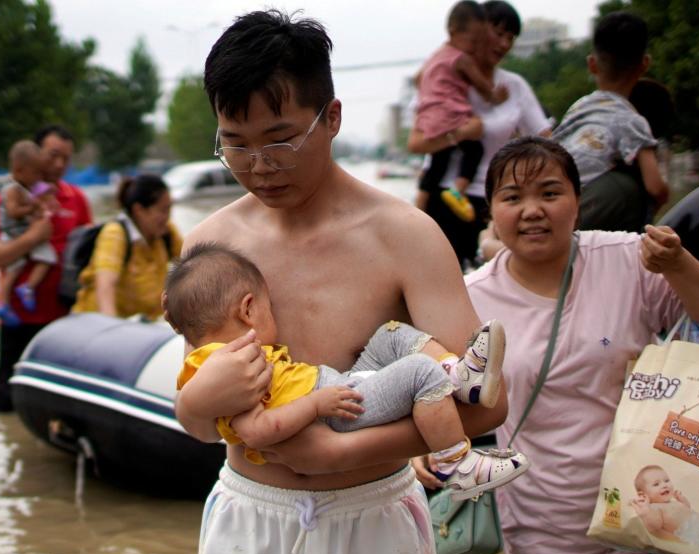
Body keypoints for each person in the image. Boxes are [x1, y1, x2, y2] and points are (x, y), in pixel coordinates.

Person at [177, 10, 508, 554]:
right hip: (248, 519)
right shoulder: (209, 249)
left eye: (279, 137)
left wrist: (334, 456)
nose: (258, 165)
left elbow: (484, 402)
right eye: (234, 143)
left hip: (369, 520)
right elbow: (196, 418)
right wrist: (197, 405)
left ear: (330, 116)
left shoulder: (402, 235)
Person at [443, 136, 699, 554]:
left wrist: (681, 265)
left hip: (653, 516)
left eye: (550, 192)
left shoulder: (628, 259)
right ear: (491, 211)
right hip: (545, 522)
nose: (532, 211)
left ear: (577, 199)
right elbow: (440, 396)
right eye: (512, 197)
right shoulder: (469, 298)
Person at [165, 242, 527, 501]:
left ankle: (458, 374)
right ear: (248, 310)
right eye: (269, 307)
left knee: (391, 334)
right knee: (419, 372)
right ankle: (455, 464)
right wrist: (317, 406)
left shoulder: (213, 358)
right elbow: (256, 432)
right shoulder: (232, 363)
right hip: (334, 413)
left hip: (335, 387)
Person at [408, 0, 551, 269]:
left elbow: (546, 141)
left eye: (511, 37)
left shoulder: (514, 86)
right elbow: (415, 144)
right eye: (498, 33)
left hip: (494, 202)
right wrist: (462, 134)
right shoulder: (443, 81)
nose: (504, 44)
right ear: (479, 31)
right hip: (444, 199)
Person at [0, 125, 94, 413]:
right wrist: (32, 238)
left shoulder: (77, 200)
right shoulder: (8, 199)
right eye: (53, 155)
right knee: (5, 404)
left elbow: (90, 254)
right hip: (17, 319)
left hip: (64, 320)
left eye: (66, 159)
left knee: (56, 407)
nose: (58, 165)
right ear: (33, 154)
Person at [552, 11, 668, 234]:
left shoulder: (578, 107)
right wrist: (664, 195)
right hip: (581, 210)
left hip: (553, 197)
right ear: (645, 64)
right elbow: (654, 187)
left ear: (592, 64)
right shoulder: (633, 120)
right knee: (631, 190)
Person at [411, 1, 506, 222]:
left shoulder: (435, 56)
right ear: (454, 31)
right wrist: (496, 97)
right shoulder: (461, 59)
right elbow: (482, 87)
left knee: (438, 161)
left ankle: (420, 207)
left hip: (430, 115)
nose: (474, 47)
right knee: (475, 150)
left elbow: (417, 79)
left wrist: (431, 93)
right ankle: (458, 189)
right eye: (473, 41)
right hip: (452, 113)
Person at [71, 174, 182, 319]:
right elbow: (105, 287)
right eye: (162, 210)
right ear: (139, 210)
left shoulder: (166, 233)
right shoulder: (115, 234)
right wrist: (112, 328)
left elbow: (192, 266)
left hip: (145, 324)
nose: (167, 217)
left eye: (169, 209)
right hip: (100, 325)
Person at [0, 140, 60, 326]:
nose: (39, 177)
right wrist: (31, 208)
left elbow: (43, 192)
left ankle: (22, 291)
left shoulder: (27, 186)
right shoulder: (11, 190)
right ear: (19, 170)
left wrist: (48, 194)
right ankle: (6, 301)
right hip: (13, 234)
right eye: (36, 173)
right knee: (19, 267)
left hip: (20, 232)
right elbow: (14, 211)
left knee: (26, 265)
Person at [631, 465, 699, 549]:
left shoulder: (672, 502)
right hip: (693, 533)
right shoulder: (654, 508)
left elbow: (687, 510)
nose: (664, 485)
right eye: (656, 484)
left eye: (666, 480)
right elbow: (655, 526)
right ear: (643, 495)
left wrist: (682, 500)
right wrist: (646, 512)